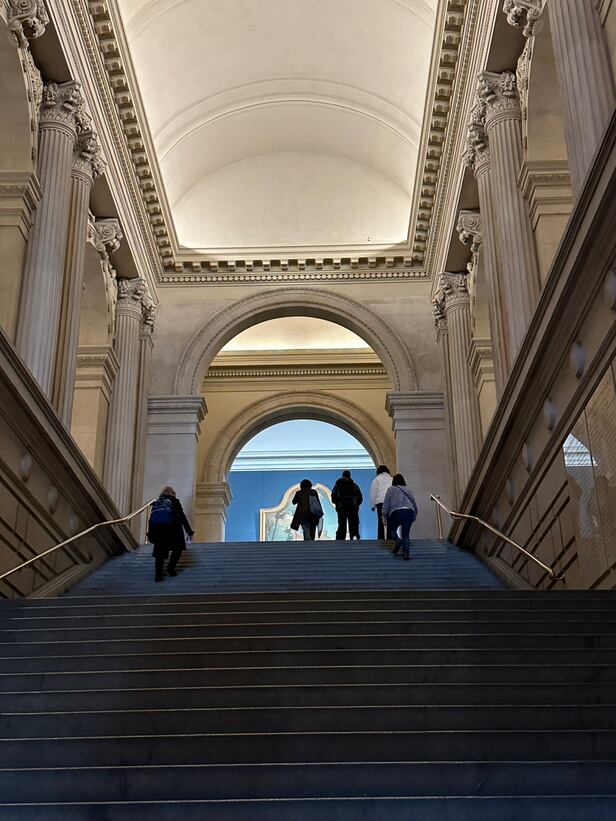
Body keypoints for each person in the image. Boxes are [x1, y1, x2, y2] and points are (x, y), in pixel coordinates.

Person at [147, 486, 194, 581]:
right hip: (173, 530)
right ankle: (171, 569)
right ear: (172, 494)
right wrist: (189, 531)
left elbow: (151, 519)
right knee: (177, 549)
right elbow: (182, 516)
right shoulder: (175, 501)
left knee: (160, 554)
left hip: (159, 531)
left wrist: (150, 533)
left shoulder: (157, 503)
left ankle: (158, 575)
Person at [381, 474, 418, 561]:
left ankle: (397, 540)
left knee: (392, 530)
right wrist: (414, 515)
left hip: (396, 512)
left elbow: (386, 504)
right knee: (406, 534)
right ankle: (406, 553)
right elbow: (414, 503)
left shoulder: (391, 489)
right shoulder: (408, 489)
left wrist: (384, 516)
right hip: (409, 511)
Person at [331, 470, 363, 540]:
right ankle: (354, 538)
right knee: (353, 525)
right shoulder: (354, 485)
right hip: (352, 508)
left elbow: (333, 497)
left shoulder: (337, 485)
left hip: (341, 508)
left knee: (341, 525)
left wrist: (338, 502)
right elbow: (360, 498)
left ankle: (340, 540)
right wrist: (355, 503)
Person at [370, 465, 393, 540]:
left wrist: (372, 505)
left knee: (380, 521)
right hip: (390, 502)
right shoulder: (392, 479)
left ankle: (381, 538)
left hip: (380, 502)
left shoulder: (376, 480)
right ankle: (390, 538)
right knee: (390, 520)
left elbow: (373, 493)